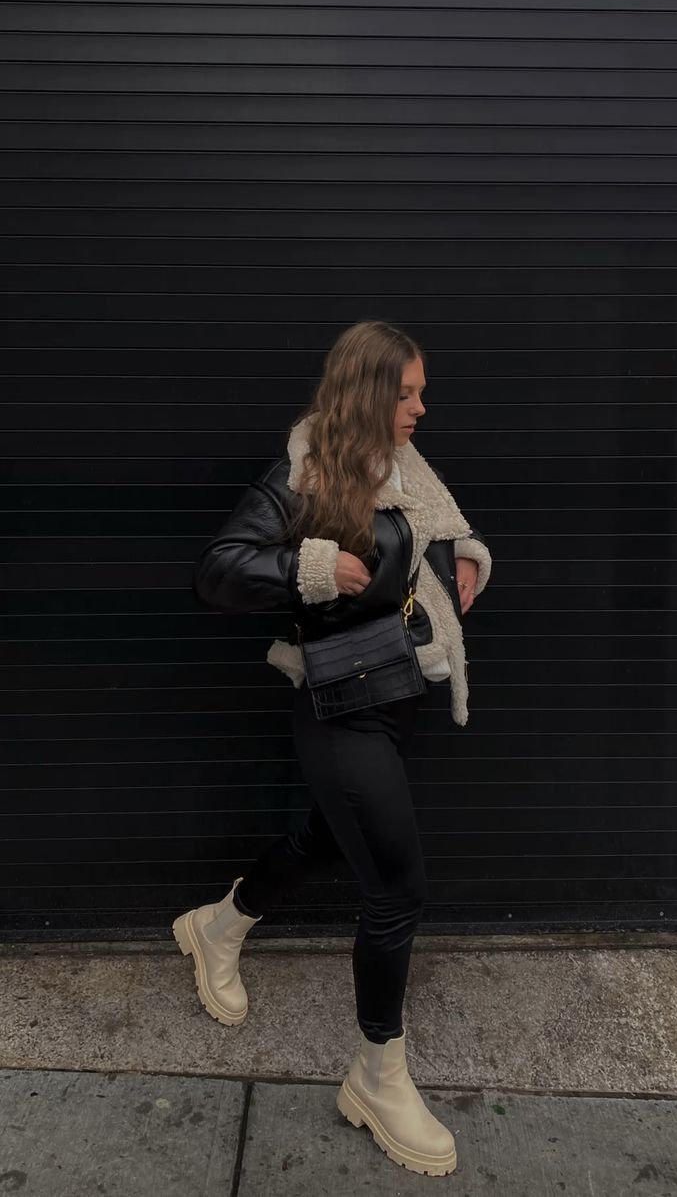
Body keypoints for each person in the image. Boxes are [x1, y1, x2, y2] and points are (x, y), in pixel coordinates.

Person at [173, 319, 492, 1177]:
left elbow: (426, 524)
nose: (422, 407)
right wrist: (310, 570)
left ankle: (217, 926)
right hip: (339, 705)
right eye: (409, 392)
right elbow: (218, 568)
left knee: (326, 837)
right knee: (397, 889)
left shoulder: (397, 460)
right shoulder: (303, 468)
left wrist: (461, 554)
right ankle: (378, 1075)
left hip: (395, 690)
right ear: (367, 391)